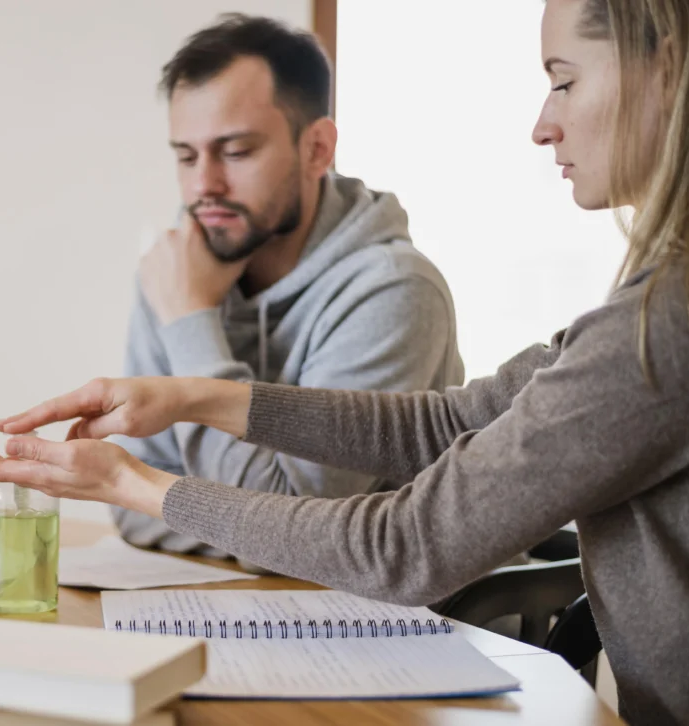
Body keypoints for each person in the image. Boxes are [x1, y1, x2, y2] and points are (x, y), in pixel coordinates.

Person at [0, 1, 689, 724]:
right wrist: (195, 398)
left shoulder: (672, 323)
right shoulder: (666, 298)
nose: (544, 126)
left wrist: (133, 481)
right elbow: (451, 423)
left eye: (563, 82)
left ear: (667, 69)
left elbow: (400, 549)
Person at [109, 14, 464, 556]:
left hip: (383, 626)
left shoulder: (395, 291)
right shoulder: (178, 267)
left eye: (236, 151)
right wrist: (250, 528)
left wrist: (190, 325)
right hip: (223, 603)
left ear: (317, 149)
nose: (203, 186)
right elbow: (130, 499)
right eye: (186, 156)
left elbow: (298, 528)